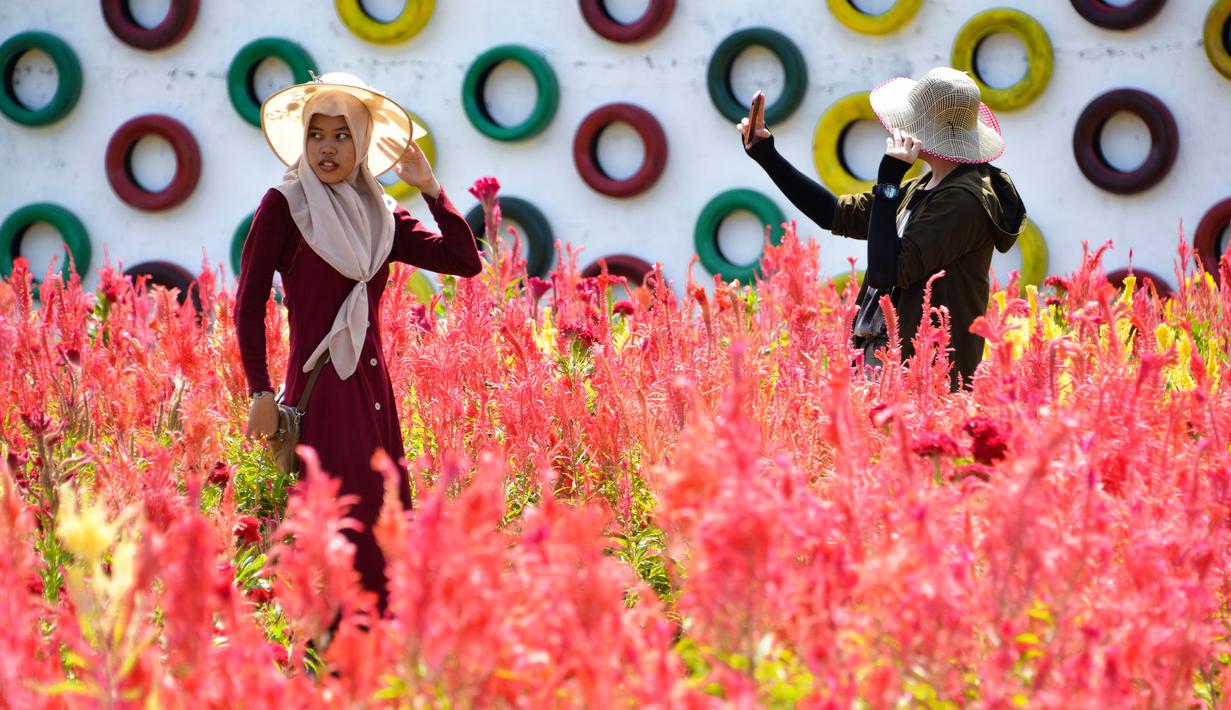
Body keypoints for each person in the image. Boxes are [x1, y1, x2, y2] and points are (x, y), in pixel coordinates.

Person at [235, 73, 482, 610]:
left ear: (364, 141)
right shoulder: (285, 204)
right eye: (317, 133)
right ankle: (337, 659)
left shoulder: (381, 214)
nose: (328, 146)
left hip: (373, 393)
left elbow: (465, 263)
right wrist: (258, 391)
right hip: (322, 393)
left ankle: (384, 659)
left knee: (385, 518)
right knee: (339, 522)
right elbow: (248, 302)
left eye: (343, 135)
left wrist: (431, 190)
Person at [740, 67, 1026, 389]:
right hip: (882, 365)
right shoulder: (925, 186)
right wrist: (768, 156)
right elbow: (833, 214)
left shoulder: (963, 201)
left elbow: (886, 272)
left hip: (924, 380)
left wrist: (889, 182)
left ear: (922, 130)